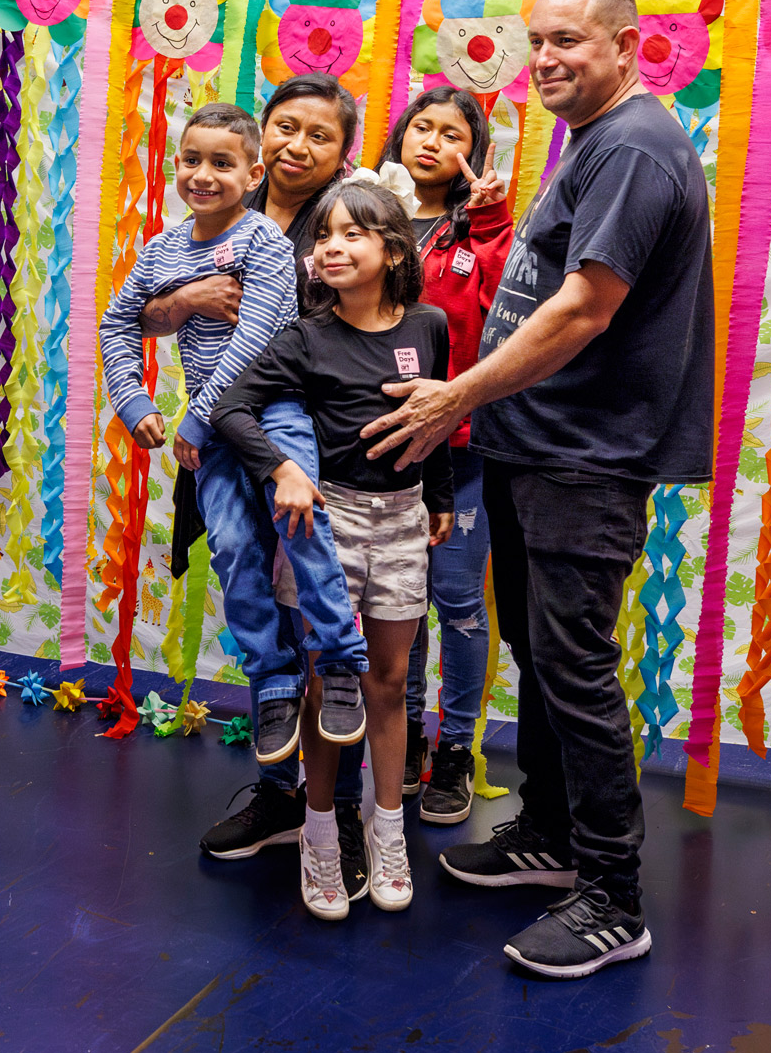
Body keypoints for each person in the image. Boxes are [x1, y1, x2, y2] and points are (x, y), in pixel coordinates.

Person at [362, 0, 713, 982]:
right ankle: (551, 835)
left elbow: (582, 310)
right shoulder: (590, 144)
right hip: (534, 442)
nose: (548, 57)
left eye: (569, 40)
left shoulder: (636, 149)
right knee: (537, 650)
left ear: (625, 46)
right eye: (537, 41)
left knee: (573, 665)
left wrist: (456, 395)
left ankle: (611, 895)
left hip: (583, 454)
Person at [97, 101, 360, 795]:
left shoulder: (266, 243)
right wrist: (134, 402)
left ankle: (338, 658)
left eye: (221, 163)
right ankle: (272, 680)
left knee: (301, 528)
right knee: (235, 548)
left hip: (275, 411)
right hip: (212, 435)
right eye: (191, 159)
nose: (203, 174)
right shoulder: (161, 250)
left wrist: (195, 419)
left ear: (252, 173)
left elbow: (258, 336)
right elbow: (118, 322)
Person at [213, 179, 452, 918]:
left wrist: (439, 496)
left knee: (389, 680)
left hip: (405, 520)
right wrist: (282, 468)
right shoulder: (305, 337)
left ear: (393, 249)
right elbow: (230, 408)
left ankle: (387, 832)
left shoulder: (430, 325)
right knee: (331, 687)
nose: (333, 247)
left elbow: (434, 415)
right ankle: (320, 836)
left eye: (353, 234)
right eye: (323, 237)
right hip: (329, 528)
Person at [376, 84, 515, 824]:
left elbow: (505, 310)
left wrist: (490, 218)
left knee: (457, 603)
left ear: (475, 153)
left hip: (459, 449)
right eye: (420, 127)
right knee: (397, 605)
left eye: (452, 134)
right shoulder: (363, 214)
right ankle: (406, 748)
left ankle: (456, 749)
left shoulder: (484, 230)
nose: (431, 142)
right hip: (378, 450)